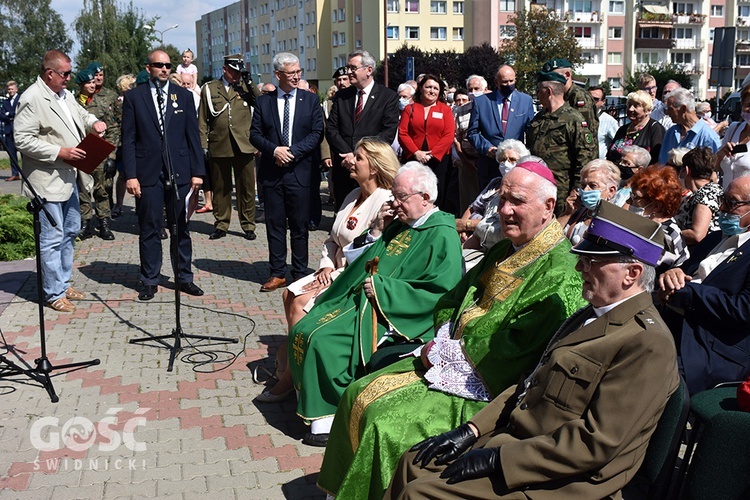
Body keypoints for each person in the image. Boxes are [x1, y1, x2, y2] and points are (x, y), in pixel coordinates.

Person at [317, 162, 586, 500]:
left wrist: (453, 352)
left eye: (517, 201)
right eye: (502, 200)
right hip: (451, 357)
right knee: (358, 392)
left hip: (486, 385)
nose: (504, 210)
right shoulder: (505, 248)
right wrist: (444, 337)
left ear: (549, 207)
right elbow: (455, 298)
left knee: (386, 426)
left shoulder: (561, 273)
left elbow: (520, 350)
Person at [386, 202, 679, 500]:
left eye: (592, 261)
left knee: (420, 494)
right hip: (520, 444)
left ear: (632, 273)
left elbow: (596, 443)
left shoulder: (646, 342)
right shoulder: (589, 315)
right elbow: (529, 384)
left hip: (564, 480)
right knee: (413, 462)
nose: (579, 268)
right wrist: (472, 430)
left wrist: (499, 460)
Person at [289, 163, 463, 447]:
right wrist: (376, 230)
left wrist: (385, 290)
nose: (394, 203)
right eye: (394, 195)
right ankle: (312, 404)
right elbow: (362, 263)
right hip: (364, 300)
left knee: (322, 339)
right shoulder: (401, 222)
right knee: (305, 327)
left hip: (393, 313)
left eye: (401, 197)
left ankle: (330, 415)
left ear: (425, 198)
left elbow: (442, 291)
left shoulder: (441, 233)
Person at [258, 138, 398, 403]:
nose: (350, 161)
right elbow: (332, 238)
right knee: (289, 293)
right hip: (333, 267)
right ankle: (294, 364)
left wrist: (335, 272)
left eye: (358, 158)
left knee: (300, 301)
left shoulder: (385, 202)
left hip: (354, 275)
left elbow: (375, 251)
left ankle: (291, 377)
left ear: (376, 167)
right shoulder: (352, 195)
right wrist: (325, 264)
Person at [14, 50, 107, 312]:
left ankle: (63, 283)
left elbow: (81, 114)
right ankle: (53, 293)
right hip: (47, 181)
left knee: (69, 233)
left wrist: (95, 122)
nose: (69, 77)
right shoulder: (32, 98)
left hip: (70, 178)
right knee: (51, 238)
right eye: (65, 73)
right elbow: (21, 139)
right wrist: (59, 152)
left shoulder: (64, 95)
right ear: (49, 73)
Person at [122, 49, 205, 302]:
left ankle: (184, 277)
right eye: (159, 65)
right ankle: (149, 279)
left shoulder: (183, 96)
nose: (165, 69)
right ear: (149, 68)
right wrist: (131, 175)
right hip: (147, 172)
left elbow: (193, 136)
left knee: (180, 227)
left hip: (178, 170)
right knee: (150, 227)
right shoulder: (135, 97)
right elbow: (128, 139)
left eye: (168, 65)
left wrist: (198, 173)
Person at [659, 175, 750, 395]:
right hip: (668, 325)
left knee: (651, 378)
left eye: (732, 202)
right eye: (722, 199)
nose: (721, 208)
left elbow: (743, 309)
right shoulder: (714, 238)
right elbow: (682, 272)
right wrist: (672, 274)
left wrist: (687, 292)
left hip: (710, 347)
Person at [250, 52, 324, 292]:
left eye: (298, 72)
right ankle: (278, 272)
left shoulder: (310, 100)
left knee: (300, 225)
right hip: (272, 173)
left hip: (300, 171)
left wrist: (291, 152)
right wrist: (275, 151)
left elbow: (316, 133)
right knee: (275, 224)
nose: (296, 76)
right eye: (291, 73)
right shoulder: (264, 102)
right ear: (279, 74)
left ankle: (300, 272)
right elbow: (255, 135)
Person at [327, 50, 399, 212]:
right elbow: (332, 129)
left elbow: (387, 133)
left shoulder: (387, 97)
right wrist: (348, 154)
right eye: (348, 67)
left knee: (371, 213)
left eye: (353, 68)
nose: (349, 72)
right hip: (344, 165)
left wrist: (361, 156)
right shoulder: (342, 96)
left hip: (371, 168)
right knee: (344, 212)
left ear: (368, 70)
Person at [199, 54, 259, 241]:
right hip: (220, 143)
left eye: (239, 70)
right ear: (225, 69)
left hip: (244, 144)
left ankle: (248, 225)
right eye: (234, 71)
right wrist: (203, 145)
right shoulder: (210, 89)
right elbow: (202, 119)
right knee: (221, 187)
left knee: (247, 187)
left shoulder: (245, 88)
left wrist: (249, 81)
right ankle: (221, 224)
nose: (237, 74)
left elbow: (261, 103)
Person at [526, 70, 598, 215]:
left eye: (539, 90)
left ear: (548, 91)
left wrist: (577, 190)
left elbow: (586, 157)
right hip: (537, 188)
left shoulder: (573, 119)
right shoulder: (539, 118)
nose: (537, 94)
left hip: (561, 192)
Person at [467, 65, 535, 190]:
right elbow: (472, 132)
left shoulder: (526, 101)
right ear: (496, 82)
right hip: (489, 164)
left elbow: (531, 131)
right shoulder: (482, 102)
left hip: (515, 164)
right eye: (504, 82)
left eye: (511, 81)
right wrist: (487, 148)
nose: (508, 84)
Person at [398, 74, 458, 215]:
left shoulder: (445, 110)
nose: (432, 91)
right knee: (413, 190)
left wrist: (434, 154)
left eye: (435, 88)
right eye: (428, 87)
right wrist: (415, 152)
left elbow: (449, 134)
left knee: (437, 191)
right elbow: (403, 133)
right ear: (421, 89)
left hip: (439, 160)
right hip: (414, 158)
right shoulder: (410, 109)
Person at [74, 68, 119, 241]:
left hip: (99, 150)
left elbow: (113, 129)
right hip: (80, 151)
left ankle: (104, 224)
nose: (93, 85)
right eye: (89, 83)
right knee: (83, 190)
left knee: (101, 190)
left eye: (94, 82)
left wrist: (111, 155)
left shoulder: (102, 102)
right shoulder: (73, 102)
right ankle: (85, 223)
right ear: (81, 85)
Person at [456, 139, 529, 245]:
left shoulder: (520, 189)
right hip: (472, 235)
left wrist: (467, 224)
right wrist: (462, 230)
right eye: (503, 160)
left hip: (491, 240)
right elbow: (472, 208)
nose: (506, 163)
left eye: (512, 159)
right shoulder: (495, 182)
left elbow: (498, 222)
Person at [629, 165, 689, 274]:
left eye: (636, 198)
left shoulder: (665, 236)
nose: (630, 202)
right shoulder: (645, 225)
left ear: (656, 206)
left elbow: (645, 273)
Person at [558, 159, 621, 246]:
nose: (585, 190)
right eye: (583, 185)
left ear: (611, 191)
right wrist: (567, 213)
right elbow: (549, 239)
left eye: (593, 185)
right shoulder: (577, 211)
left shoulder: (616, 223)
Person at [658, 88, 721, 165]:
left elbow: (714, 169)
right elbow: (661, 164)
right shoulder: (671, 132)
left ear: (683, 109)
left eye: (670, 109)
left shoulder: (708, 136)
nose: (667, 112)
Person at [674, 146, 723, 246]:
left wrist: (665, 233)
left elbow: (697, 235)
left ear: (687, 170)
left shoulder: (705, 195)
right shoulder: (713, 189)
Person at [542, 58, 599, 139]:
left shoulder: (579, 96)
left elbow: (586, 132)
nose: (550, 79)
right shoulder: (560, 95)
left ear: (567, 75)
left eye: (553, 75)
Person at [606, 90, 664, 166]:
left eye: (636, 106)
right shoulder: (623, 129)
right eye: (629, 105)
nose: (630, 109)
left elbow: (656, 160)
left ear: (647, 110)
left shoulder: (655, 129)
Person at [111, 73, 136, 220]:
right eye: (131, 85)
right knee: (123, 175)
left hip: (134, 143)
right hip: (122, 143)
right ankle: (119, 204)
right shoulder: (119, 102)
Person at [716, 85, 750, 189]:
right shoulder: (734, 129)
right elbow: (715, 166)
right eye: (747, 105)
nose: (749, 109)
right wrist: (722, 152)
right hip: (728, 200)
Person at [452, 86, 481, 210]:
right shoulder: (459, 111)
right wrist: (464, 160)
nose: (473, 92)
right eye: (470, 89)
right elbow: (455, 138)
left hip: (486, 160)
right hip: (466, 160)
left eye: (477, 88)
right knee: (467, 200)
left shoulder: (489, 108)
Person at [589, 85, 618, 159]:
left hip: (599, 166)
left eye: (595, 99)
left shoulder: (609, 121)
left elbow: (618, 144)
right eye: (589, 98)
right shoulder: (577, 117)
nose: (591, 102)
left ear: (603, 102)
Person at [0, 80, 21, 181]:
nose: (10, 91)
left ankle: (27, 174)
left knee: (25, 154)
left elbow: (19, 112)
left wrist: (9, 114)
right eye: (9, 89)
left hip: (20, 130)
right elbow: (1, 115)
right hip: (9, 130)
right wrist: (10, 115)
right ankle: (15, 174)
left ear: (16, 89)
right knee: (12, 154)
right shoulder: (6, 102)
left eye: (12, 89)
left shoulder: (21, 99)